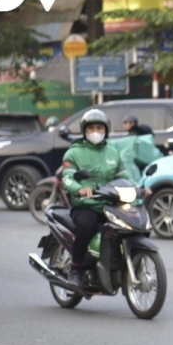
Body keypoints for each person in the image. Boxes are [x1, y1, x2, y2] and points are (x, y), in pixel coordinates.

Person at [60, 109, 129, 289]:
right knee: (88, 226)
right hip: (85, 206)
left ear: (106, 129)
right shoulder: (74, 152)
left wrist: (140, 189)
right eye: (91, 128)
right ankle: (75, 268)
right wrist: (80, 189)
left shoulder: (113, 152)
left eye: (99, 127)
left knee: (129, 225)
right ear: (85, 130)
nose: (96, 132)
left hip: (109, 205)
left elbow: (125, 177)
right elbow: (67, 178)